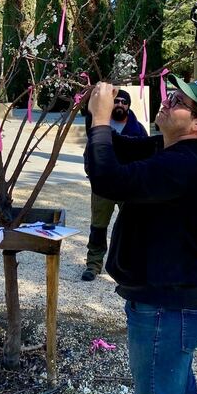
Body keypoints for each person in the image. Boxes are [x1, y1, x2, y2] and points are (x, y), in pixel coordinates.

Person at [86, 76, 197, 394]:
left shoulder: (182, 165)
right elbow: (118, 149)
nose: (167, 101)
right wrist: (96, 113)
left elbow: (107, 178)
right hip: (176, 305)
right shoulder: (169, 151)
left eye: (179, 100)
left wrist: (100, 120)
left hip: (166, 309)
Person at [81, 89, 147, 281]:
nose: (119, 105)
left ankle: (130, 265)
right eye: (116, 101)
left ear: (128, 105)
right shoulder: (101, 125)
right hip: (103, 186)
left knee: (131, 227)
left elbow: (145, 157)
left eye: (123, 102)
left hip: (128, 186)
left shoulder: (138, 129)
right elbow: (90, 150)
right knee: (98, 227)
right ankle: (93, 264)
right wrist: (91, 171)